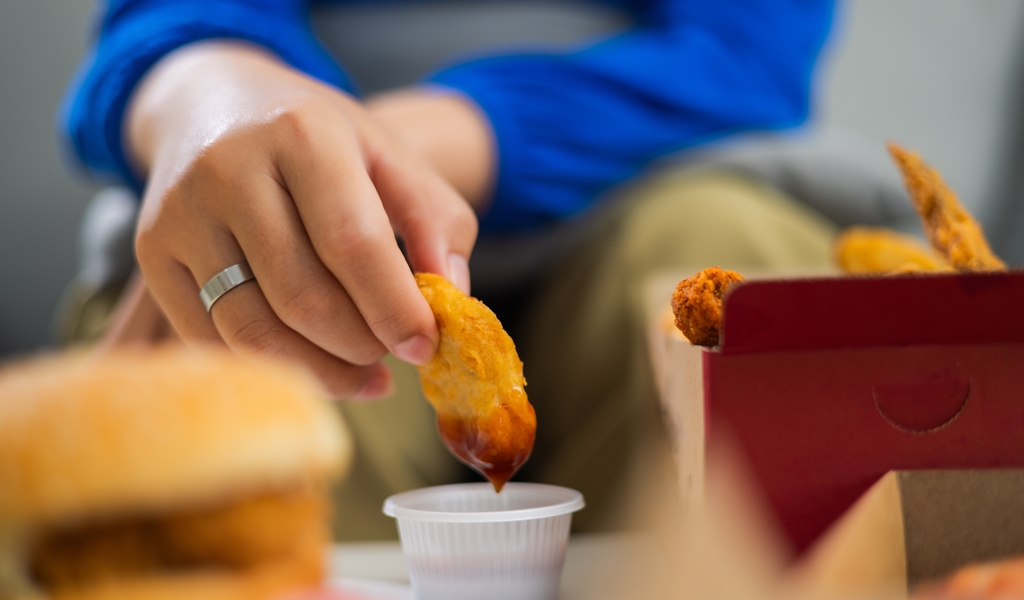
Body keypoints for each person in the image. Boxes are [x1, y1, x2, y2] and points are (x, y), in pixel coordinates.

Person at [63, 0, 839, 538]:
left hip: (664, 173)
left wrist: (392, 145)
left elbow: (743, 53)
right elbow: (165, 19)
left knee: (732, 289)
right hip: (284, 181)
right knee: (263, 385)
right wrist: (205, 89)